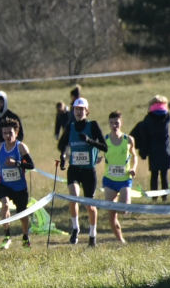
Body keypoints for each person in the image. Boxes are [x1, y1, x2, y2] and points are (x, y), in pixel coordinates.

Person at [58, 97, 107, 246]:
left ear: (87, 111)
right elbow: (61, 144)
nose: (79, 112)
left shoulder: (93, 126)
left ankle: (92, 235)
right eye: (76, 109)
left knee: (89, 205)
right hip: (74, 169)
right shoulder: (70, 126)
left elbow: (104, 147)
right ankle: (75, 228)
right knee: (73, 198)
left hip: (88, 171)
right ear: (73, 111)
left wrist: (89, 141)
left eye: (81, 109)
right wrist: (62, 156)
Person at [0, 118, 35, 249]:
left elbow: (31, 165)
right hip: (4, 185)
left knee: (22, 214)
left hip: (20, 187)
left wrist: (16, 163)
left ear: (16, 133)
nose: (7, 136)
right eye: (4, 133)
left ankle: (25, 236)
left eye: (10, 133)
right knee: (4, 204)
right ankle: (7, 235)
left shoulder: (21, 147)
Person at [130, 95, 170, 201]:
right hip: (166, 151)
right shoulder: (167, 117)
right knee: (164, 175)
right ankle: (165, 197)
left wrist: (143, 150)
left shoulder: (148, 119)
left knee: (154, 175)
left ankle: (154, 198)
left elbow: (143, 132)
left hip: (153, 151)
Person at [103, 111, 137, 244]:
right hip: (109, 180)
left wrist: (134, 168)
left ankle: (117, 204)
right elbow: (99, 154)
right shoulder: (105, 140)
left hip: (124, 180)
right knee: (111, 215)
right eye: (111, 123)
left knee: (123, 210)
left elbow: (134, 156)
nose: (114, 125)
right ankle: (120, 240)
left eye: (116, 122)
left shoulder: (128, 139)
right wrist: (98, 159)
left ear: (121, 123)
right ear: (109, 124)